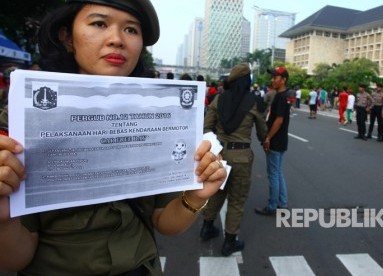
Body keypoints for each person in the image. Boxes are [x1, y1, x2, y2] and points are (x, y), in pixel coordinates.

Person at [0, 1, 226, 275]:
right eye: (99, 23)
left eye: (131, 30)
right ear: (67, 37)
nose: (117, 40)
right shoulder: (20, 123)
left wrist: (195, 196)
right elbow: (13, 260)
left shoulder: (165, 118)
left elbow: (165, 221)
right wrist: (3, 219)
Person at [200, 63, 267, 256]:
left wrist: (215, 145)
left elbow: (206, 127)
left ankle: (207, 227)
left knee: (216, 193)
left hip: (219, 154)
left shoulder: (219, 99)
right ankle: (230, 242)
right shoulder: (254, 102)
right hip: (242, 158)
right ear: (247, 81)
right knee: (237, 200)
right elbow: (262, 128)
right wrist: (265, 141)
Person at [255, 67, 291, 216]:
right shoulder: (282, 95)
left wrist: (267, 138)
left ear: (283, 80)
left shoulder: (281, 97)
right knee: (278, 172)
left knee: (273, 174)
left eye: (276, 77)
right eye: (273, 77)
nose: (273, 79)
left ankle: (272, 206)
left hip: (275, 141)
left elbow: (279, 121)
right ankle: (282, 203)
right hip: (281, 140)